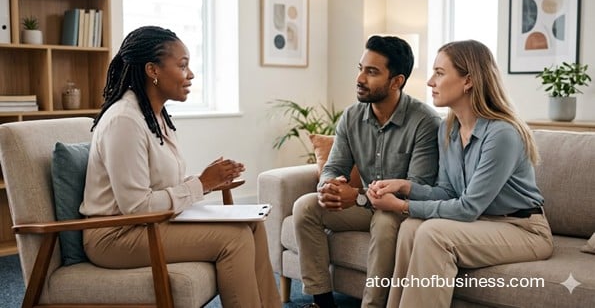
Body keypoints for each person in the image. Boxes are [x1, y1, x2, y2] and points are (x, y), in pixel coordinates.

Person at [79, 25, 281, 308]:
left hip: (149, 225)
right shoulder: (124, 121)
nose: (191, 74)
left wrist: (207, 180)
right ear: (153, 70)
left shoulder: (156, 117)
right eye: (183, 65)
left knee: (252, 225)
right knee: (234, 238)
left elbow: (159, 188)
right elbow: (136, 208)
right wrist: (203, 183)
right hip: (115, 236)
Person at [367, 39, 554, 307]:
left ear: (468, 81)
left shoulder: (501, 133)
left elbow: (467, 208)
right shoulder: (448, 129)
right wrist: (405, 186)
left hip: (523, 229)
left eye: (440, 73)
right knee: (410, 228)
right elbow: (448, 192)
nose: (430, 81)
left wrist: (403, 205)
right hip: (483, 222)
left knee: (433, 234)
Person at [293, 35, 441, 308]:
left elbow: (417, 187)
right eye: (360, 68)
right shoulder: (352, 117)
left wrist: (358, 196)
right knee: (306, 206)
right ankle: (322, 302)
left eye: (372, 72)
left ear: (397, 81)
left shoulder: (425, 122)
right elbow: (335, 166)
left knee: (385, 222)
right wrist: (330, 186)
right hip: (365, 205)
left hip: (399, 209)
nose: (360, 78)